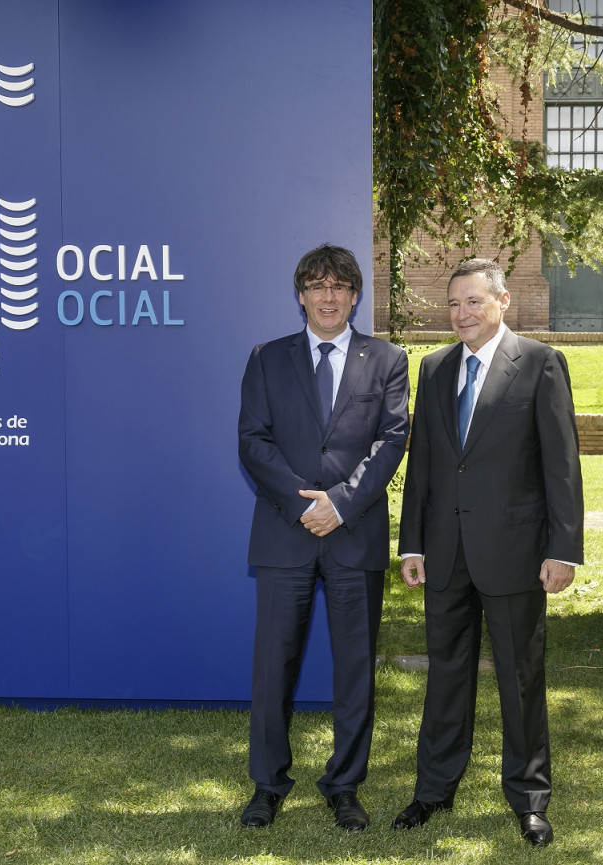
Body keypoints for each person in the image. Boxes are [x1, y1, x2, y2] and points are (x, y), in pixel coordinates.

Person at [396, 258, 583, 848]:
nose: (461, 314)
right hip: (445, 553)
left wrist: (564, 550)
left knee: (520, 680)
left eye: (473, 301)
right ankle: (433, 791)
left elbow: (562, 464)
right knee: (445, 677)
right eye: (453, 304)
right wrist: (412, 543)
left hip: (515, 552)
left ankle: (529, 800)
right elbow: (425, 464)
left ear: (503, 301)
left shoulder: (540, 362)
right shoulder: (433, 368)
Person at [237, 244, 410, 831]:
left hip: (353, 534)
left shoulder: (386, 359)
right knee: (273, 668)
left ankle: (344, 786)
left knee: (356, 669)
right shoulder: (267, 358)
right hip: (284, 534)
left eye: (339, 286)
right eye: (317, 286)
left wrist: (339, 504)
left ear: (355, 296)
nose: (328, 296)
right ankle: (267, 785)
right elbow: (253, 441)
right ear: (301, 295)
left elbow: (391, 439)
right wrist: (302, 504)